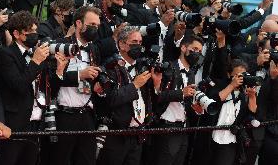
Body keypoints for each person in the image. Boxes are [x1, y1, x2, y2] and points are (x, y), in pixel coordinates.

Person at [0, 10, 67, 165]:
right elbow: (19, 85)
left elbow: (47, 90)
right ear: (16, 34)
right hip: (12, 126)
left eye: (35, 31)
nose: (34, 35)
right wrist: (35, 62)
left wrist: (59, 72)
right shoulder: (5, 54)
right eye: (30, 32)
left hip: (35, 125)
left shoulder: (37, 55)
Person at [47, 6, 103, 165]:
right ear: (79, 23)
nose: (95, 29)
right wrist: (80, 75)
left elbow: (92, 80)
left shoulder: (94, 49)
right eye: (91, 24)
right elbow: (52, 78)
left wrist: (97, 85)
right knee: (60, 160)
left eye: (97, 26)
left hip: (87, 114)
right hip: (64, 114)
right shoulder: (60, 45)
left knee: (87, 160)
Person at [97, 26, 161, 165]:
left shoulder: (142, 66)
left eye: (140, 42)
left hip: (137, 134)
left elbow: (150, 100)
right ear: (122, 44)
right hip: (116, 134)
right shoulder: (110, 67)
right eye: (134, 42)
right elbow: (111, 99)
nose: (138, 46)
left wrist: (156, 86)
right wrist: (134, 85)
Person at [153, 35, 204, 165]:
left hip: (183, 129)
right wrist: (181, 93)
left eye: (200, 51)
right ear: (183, 47)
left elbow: (186, 101)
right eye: (195, 49)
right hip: (166, 127)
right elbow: (157, 96)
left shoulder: (191, 73)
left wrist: (196, 108)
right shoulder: (168, 67)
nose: (197, 53)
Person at [206, 59, 257, 165]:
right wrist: (232, 85)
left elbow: (252, 111)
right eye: (237, 75)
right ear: (229, 74)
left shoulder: (243, 94)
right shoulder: (219, 85)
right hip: (209, 137)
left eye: (243, 76)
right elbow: (213, 102)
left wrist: (252, 96)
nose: (240, 79)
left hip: (229, 139)